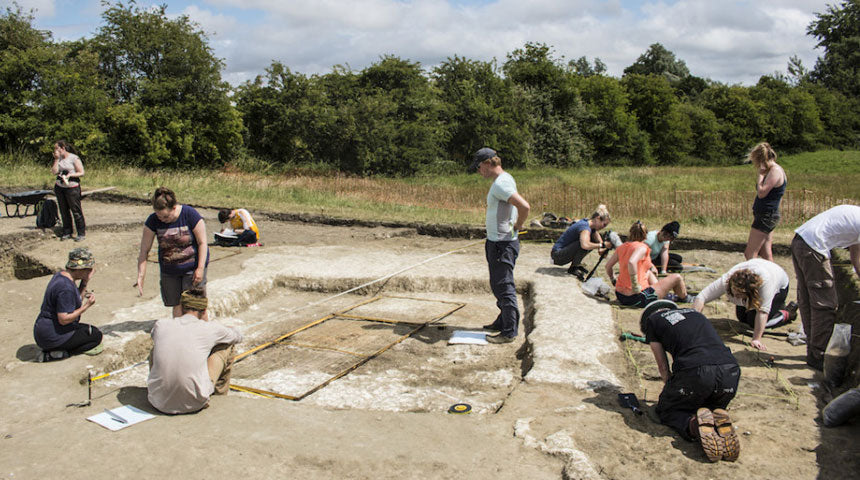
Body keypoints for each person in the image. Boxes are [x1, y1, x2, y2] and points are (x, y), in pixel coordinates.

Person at [640, 300, 741, 462]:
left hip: (697, 371)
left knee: (667, 410)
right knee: (709, 405)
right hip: (730, 371)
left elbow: (663, 367)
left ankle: (693, 426)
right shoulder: (695, 314)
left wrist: (670, 391)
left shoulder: (653, 322)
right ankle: (716, 422)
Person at [147, 288, 243, 414]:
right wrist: (223, 329)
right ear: (204, 311)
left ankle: (165, 386)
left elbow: (155, 336)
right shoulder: (210, 329)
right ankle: (220, 396)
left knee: (156, 348)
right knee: (227, 346)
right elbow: (238, 337)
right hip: (194, 403)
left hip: (157, 401)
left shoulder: (161, 325)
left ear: (181, 308)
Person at [471, 147, 530, 344]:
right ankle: (503, 320)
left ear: (488, 163)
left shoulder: (501, 184)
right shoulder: (504, 180)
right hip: (498, 242)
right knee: (497, 284)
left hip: (502, 244)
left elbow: (524, 206)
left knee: (504, 286)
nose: (479, 171)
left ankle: (509, 331)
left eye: (479, 167)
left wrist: (519, 225)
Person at [791, 204, 860, 370]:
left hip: (800, 242)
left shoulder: (856, 217)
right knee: (825, 305)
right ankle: (819, 355)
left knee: (808, 300)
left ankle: (813, 350)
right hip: (813, 246)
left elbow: (856, 257)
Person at [693, 258, 797, 352]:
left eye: (740, 294)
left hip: (780, 284)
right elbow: (702, 296)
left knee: (753, 322)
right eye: (735, 293)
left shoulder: (765, 285)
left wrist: (756, 339)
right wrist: (694, 321)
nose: (736, 297)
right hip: (760, 269)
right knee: (742, 318)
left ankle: (787, 313)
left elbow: (762, 312)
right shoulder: (726, 279)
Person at [136, 187, 210, 318]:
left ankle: (202, 333)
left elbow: (202, 243)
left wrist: (200, 268)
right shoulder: (153, 220)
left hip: (192, 268)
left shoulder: (190, 214)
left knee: (195, 305)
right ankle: (179, 334)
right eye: (159, 216)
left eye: (165, 216)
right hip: (169, 270)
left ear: (174, 208)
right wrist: (141, 276)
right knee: (177, 304)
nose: (162, 219)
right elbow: (144, 250)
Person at [33, 247, 102, 361]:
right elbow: (64, 319)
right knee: (95, 336)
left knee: (90, 330)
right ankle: (58, 353)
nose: (89, 272)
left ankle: (55, 349)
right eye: (87, 269)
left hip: (44, 331)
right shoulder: (65, 288)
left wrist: (85, 281)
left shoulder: (61, 276)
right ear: (79, 269)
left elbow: (75, 302)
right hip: (52, 335)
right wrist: (87, 306)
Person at [605, 221, 694, 308]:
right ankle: (685, 298)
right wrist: (635, 284)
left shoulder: (621, 247)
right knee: (677, 277)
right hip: (637, 298)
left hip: (621, 296)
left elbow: (608, 266)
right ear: (645, 235)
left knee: (648, 272)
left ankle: (663, 295)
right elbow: (632, 262)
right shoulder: (642, 247)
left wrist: (613, 279)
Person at [744, 142, 786, 261]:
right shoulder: (772, 170)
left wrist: (761, 176)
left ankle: (752, 277)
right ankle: (773, 278)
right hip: (766, 214)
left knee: (750, 253)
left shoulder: (775, 171)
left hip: (766, 215)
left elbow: (762, 193)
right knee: (765, 253)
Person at [550, 205, 612, 278]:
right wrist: (602, 245)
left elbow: (596, 235)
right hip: (557, 256)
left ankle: (576, 265)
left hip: (560, 254)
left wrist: (601, 247)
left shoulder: (588, 223)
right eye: (604, 224)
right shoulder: (584, 227)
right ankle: (573, 267)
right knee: (585, 243)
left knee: (591, 240)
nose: (603, 227)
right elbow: (584, 245)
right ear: (598, 218)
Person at [50, 140, 86, 242]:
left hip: (72, 187)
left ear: (63, 148)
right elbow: (54, 171)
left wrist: (70, 175)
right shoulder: (59, 159)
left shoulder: (74, 158)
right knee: (63, 210)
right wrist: (56, 159)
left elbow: (81, 172)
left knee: (76, 210)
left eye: (56, 148)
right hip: (60, 187)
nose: (55, 150)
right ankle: (67, 231)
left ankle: (81, 233)